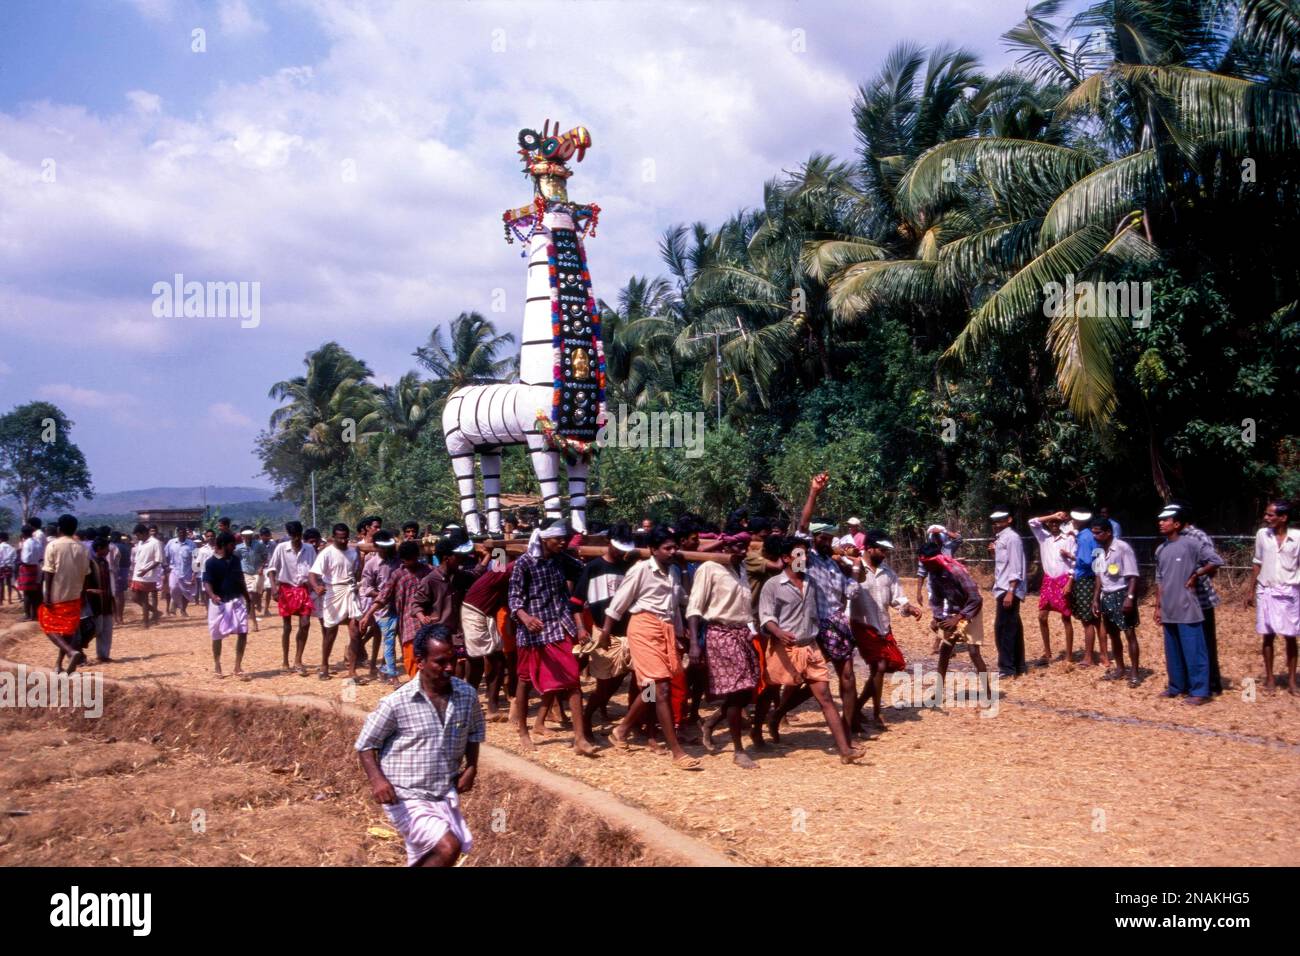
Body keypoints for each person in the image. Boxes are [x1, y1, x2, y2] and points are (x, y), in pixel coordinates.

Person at [355, 624, 483, 867]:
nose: (449, 668)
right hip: (404, 796)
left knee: (429, 857)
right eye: (440, 661)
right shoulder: (396, 703)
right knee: (448, 847)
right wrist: (377, 780)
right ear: (421, 661)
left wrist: (471, 767)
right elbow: (366, 744)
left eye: (452, 660)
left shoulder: (466, 695)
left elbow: (475, 732)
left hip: (442, 793)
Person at [757, 535, 861, 764]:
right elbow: (766, 617)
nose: (803, 558)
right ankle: (759, 728)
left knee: (825, 697)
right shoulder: (773, 585)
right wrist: (778, 632)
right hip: (784, 649)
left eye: (805, 554)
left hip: (809, 647)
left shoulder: (812, 584)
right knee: (769, 690)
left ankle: (845, 750)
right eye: (797, 554)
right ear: (785, 558)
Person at [597, 527, 694, 766]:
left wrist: (682, 632)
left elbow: (680, 602)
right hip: (644, 628)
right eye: (667, 548)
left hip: (667, 631)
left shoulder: (673, 571)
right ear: (653, 549)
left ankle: (622, 729)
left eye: (674, 547)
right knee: (660, 688)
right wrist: (606, 631)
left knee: (651, 689)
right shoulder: (640, 570)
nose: (673, 551)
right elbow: (619, 602)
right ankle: (677, 752)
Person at [509, 520, 598, 757]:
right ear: (544, 539)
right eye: (558, 539)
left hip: (559, 627)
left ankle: (579, 738)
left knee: (572, 681)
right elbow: (514, 599)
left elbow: (584, 571)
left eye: (565, 539)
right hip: (533, 631)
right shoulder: (524, 563)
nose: (563, 543)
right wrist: (525, 618)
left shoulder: (562, 560)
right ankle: (523, 731)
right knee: (525, 680)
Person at [785, 474, 861, 739]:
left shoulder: (831, 564)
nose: (827, 543)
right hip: (813, 625)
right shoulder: (805, 559)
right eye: (823, 539)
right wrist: (813, 492)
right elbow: (803, 526)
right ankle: (776, 715)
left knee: (848, 677)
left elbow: (850, 591)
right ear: (814, 539)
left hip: (837, 623)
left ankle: (848, 728)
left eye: (830, 539)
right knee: (801, 681)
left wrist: (854, 571)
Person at [687, 532, 760, 768]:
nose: (741, 550)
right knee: (738, 689)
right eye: (736, 545)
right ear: (725, 545)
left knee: (745, 692)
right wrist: (694, 644)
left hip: (742, 633)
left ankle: (710, 723)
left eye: (745, 546)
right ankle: (739, 750)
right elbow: (694, 607)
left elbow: (744, 607)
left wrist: (751, 629)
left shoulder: (741, 571)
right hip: (720, 633)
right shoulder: (709, 568)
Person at [850, 530, 922, 731]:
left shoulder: (888, 573)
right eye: (881, 550)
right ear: (869, 548)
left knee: (879, 668)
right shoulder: (854, 569)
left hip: (882, 624)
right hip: (861, 624)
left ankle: (857, 707)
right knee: (880, 666)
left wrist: (909, 608)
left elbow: (897, 600)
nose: (884, 554)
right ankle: (876, 713)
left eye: (886, 550)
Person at [571, 525, 638, 737]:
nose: (621, 552)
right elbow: (576, 603)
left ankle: (638, 720)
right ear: (608, 542)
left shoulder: (630, 568)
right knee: (606, 684)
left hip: (631, 633)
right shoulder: (593, 568)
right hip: (603, 633)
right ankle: (588, 715)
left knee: (646, 683)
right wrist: (581, 628)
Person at [1153, 507, 1221, 704]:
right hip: (1169, 607)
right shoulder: (1161, 549)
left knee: (1194, 650)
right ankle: (1176, 686)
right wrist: (1158, 607)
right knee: (1173, 651)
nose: (1161, 523)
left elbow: (1215, 561)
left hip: (1188, 607)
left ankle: (1200, 691)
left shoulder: (1192, 544)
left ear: (1177, 524)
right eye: (1160, 520)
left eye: (1166, 520)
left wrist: (1196, 574)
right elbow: (1159, 579)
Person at [918, 539, 991, 688]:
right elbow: (937, 601)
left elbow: (976, 599)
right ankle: (938, 692)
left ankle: (988, 694)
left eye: (927, 564)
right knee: (944, 652)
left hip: (971, 612)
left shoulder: (956, 571)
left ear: (935, 560)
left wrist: (958, 618)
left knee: (973, 653)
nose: (925, 568)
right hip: (952, 613)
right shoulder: (934, 575)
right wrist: (938, 619)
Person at [1245, 499, 1299, 694]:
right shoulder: (1262, 535)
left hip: (1289, 592)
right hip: (1266, 590)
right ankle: (1270, 678)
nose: (1266, 518)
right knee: (1268, 636)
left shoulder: (1298, 538)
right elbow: (1257, 562)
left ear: (1283, 518)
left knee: (1290, 636)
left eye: (1270, 515)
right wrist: (1250, 590)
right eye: (1266, 514)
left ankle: (1292, 681)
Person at [460, 548, 516, 720]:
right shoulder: (498, 573)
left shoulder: (501, 577)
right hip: (474, 613)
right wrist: (499, 547)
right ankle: (472, 706)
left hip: (485, 615)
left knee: (495, 662)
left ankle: (490, 707)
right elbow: (501, 556)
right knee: (479, 662)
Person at [373, 540, 440, 679]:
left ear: (417, 556)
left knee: (431, 659)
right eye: (405, 560)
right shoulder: (397, 574)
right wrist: (368, 614)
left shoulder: (429, 571)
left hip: (430, 622)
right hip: (409, 623)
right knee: (412, 660)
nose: (408, 563)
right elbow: (383, 596)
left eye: (411, 559)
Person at [1088, 518, 1141, 686]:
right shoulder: (1097, 552)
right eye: (1093, 532)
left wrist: (1130, 598)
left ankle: (1134, 673)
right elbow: (1098, 576)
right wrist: (1095, 599)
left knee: (1129, 633)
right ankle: (1120, 668)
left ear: (1108, 532)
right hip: (1106, 596)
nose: (1094, 536)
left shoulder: (1122, 548)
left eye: (1098, 532)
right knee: (1113, 635)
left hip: (1122, 594)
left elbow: (1133, 576)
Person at [309, 523, 362, 681]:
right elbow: (312, 574)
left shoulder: (353, 553)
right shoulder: (327, 553)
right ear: (333, 538)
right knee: (330, 632)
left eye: (346, 538)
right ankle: (324, 665)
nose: (343, 541)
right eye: (340, 538)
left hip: (350, 591)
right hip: (333, 592)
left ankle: (352, 670)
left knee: (355, 632)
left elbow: (356, 573)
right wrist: (316, 587)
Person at [40, 515, 91, 673]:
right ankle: (59, 664)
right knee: (67, 630)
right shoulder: (82, 548)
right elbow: (86, 574)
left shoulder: (53, 545)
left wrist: (47, 595)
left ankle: (71, 652)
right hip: (75, 595)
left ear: (59, 528)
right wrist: (83, 594)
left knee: (46, 624)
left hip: (56, 595)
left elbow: (49, 572)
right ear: (74, 529)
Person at [266, 521, 316, 674]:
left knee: (305, 623)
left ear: (301, 534)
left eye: (297, 535)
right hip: (286, 590)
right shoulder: (282, 548)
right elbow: (272, 569)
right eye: (292, 535)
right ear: (289, 535)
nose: (295, 538)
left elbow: (314, 569)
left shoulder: (309, 549)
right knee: (287, 627)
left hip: (303, 589)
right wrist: (274, 589)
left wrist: (315, 585)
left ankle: (298, 660)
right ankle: (285, 661)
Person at [1028, 510, 1077, 664]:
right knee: (1042, 616)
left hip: (1063, 580)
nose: (1054, 524)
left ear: (1061, 524)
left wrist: (1070, 581)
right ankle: (1047, 652)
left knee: (1066, 618)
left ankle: (1069, 655)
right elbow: (1032, 522)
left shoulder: (1068, 539)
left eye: (1057, 522)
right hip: (1048, 580)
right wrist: (1052, 516)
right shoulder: (1043, 537)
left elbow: (1075, 563)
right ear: (1048, 523)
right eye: (1052, 522)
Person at [203, 530, 253, 680]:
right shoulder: (210, 562)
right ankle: (217, 665)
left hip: (236, 601)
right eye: (232, 545)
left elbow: (240, 579)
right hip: (219, 603)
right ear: (223, 545)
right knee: (216, 635)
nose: (234, 547)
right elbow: (206, 582)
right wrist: (212, 596)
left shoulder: (235, 559)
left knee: (243, 632)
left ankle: (237, 667)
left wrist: (247, 597)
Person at [358, 532, 402, 684]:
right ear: (376, 547)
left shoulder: (397, 560)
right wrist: (383, 595)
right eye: (383, 548)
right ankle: (384, 671)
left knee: (393, 638)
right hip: (381, 607)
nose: (386, 550)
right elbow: (366, 588)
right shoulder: (371, 563)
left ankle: (384, 668)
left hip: (399, 605)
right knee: (384, 638)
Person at [990, 508, 1027, 676]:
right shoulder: (1001, 539)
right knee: (1012, 627)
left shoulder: (1012, 538)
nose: (997, 524)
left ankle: (1007, 667)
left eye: (1001, 520)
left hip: (1008, 588)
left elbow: (1016, 566)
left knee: (1004, 629)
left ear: (1009, 520)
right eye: (995, 521)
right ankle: (1018, 665)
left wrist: (1011, 591)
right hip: (1002, 587)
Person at [1067, 509, 1107, 666]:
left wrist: (1072, 557)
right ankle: (1104, 655)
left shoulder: (1084, 538)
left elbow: (1084, 560)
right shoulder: (1092, 536)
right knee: (1097, 619)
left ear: (1077, 522)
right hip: (1095, 577)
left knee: (1087, 620)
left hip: (1085, 579)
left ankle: (1088, 657)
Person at [86, 536, 116, 664]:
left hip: (106, 600)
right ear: (99, 548)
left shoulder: (105, 563)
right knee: (95, 629)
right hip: (95, 602)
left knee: (107, 629)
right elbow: (85, 582)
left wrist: (112, 598)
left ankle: (103, 655)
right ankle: (78, 652)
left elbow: (109, 583)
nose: (108, 551)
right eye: (106, 548)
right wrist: (90, 591)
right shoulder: (90, 563)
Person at [129, 522, 164, 628]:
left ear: (144, 533)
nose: (137, 537)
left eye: (138, 535)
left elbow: (158, 560)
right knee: (134, 598)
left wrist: (146, 570)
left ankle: (145, 621)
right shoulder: (140, 543)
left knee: (144, 598)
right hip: (137, 574)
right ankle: (155, 612)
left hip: (148, 575)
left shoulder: (155, 543)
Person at [235, 527, 267, 621]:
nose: (248, 538)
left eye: (249, 536)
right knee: (250, 594)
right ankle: (251, 616)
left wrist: (262, 567)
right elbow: (236, 559)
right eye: (246, 536)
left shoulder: (259, 545)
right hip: (246, 572)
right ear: (242, 537)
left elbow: (265, 556)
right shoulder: (239, 548)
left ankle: (257, 603)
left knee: (258, 591)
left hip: (258, 572)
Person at [164, 526, 196, 617]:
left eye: (183, 532)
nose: (182, 534)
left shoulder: (192, 544)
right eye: (180, 532)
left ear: (186, 533)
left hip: (187, 572)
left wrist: (194, 574)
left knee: (186, 592)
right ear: (177, 533)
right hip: (174, 570)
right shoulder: (171, 543)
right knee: (173, 588)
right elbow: (165, 555)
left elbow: (197, 560)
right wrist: (165, 567)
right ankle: (176, 605)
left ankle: (183, 610)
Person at [17, 524, 42, 621]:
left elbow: (26, 559)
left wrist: (20, 559)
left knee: (27, 592)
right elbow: (40, 556)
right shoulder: (36, 542)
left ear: (23, 533)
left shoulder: (27, 543)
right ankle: (34, 614)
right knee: (34, 592)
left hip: (27, 568)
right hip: (36, 567)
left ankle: (27, 615)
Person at [0, 531, 16, 604]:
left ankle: (1, 600)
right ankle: (9, 599)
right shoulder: (11, 548)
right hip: (9, 566)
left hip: (1, 566)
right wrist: (9, 563)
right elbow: (14, 558)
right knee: (9, 583)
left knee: (1, 583)